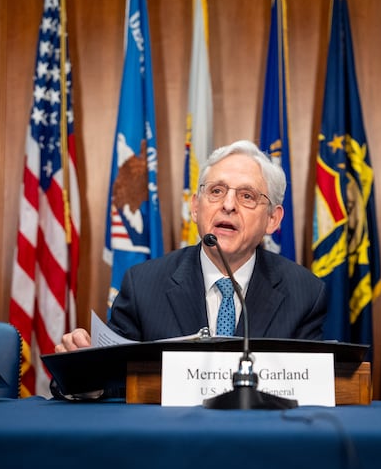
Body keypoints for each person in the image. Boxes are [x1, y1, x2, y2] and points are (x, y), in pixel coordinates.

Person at [56, 140, 327, 352]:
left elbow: (313, 388)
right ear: (196, 207)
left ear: (272, 219)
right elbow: (113, 381)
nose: (228, 205)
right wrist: (85, 372)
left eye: (247, 196)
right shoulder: (143, 286)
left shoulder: (304, 293)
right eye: (216, 191)